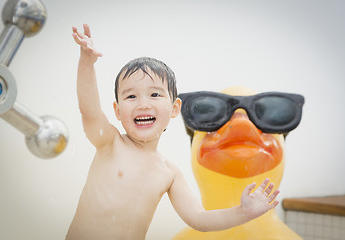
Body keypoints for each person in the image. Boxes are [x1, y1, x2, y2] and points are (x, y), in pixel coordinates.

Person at [66, 24, 280, 240]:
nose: (142, 104)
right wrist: (86, 62)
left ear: (174, 108)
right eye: (131, 96)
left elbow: (199, 219)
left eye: (155, 95)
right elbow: (89, 111)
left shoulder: (169, 172)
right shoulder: (110, 144)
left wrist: (243, 212)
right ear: (118, 111)